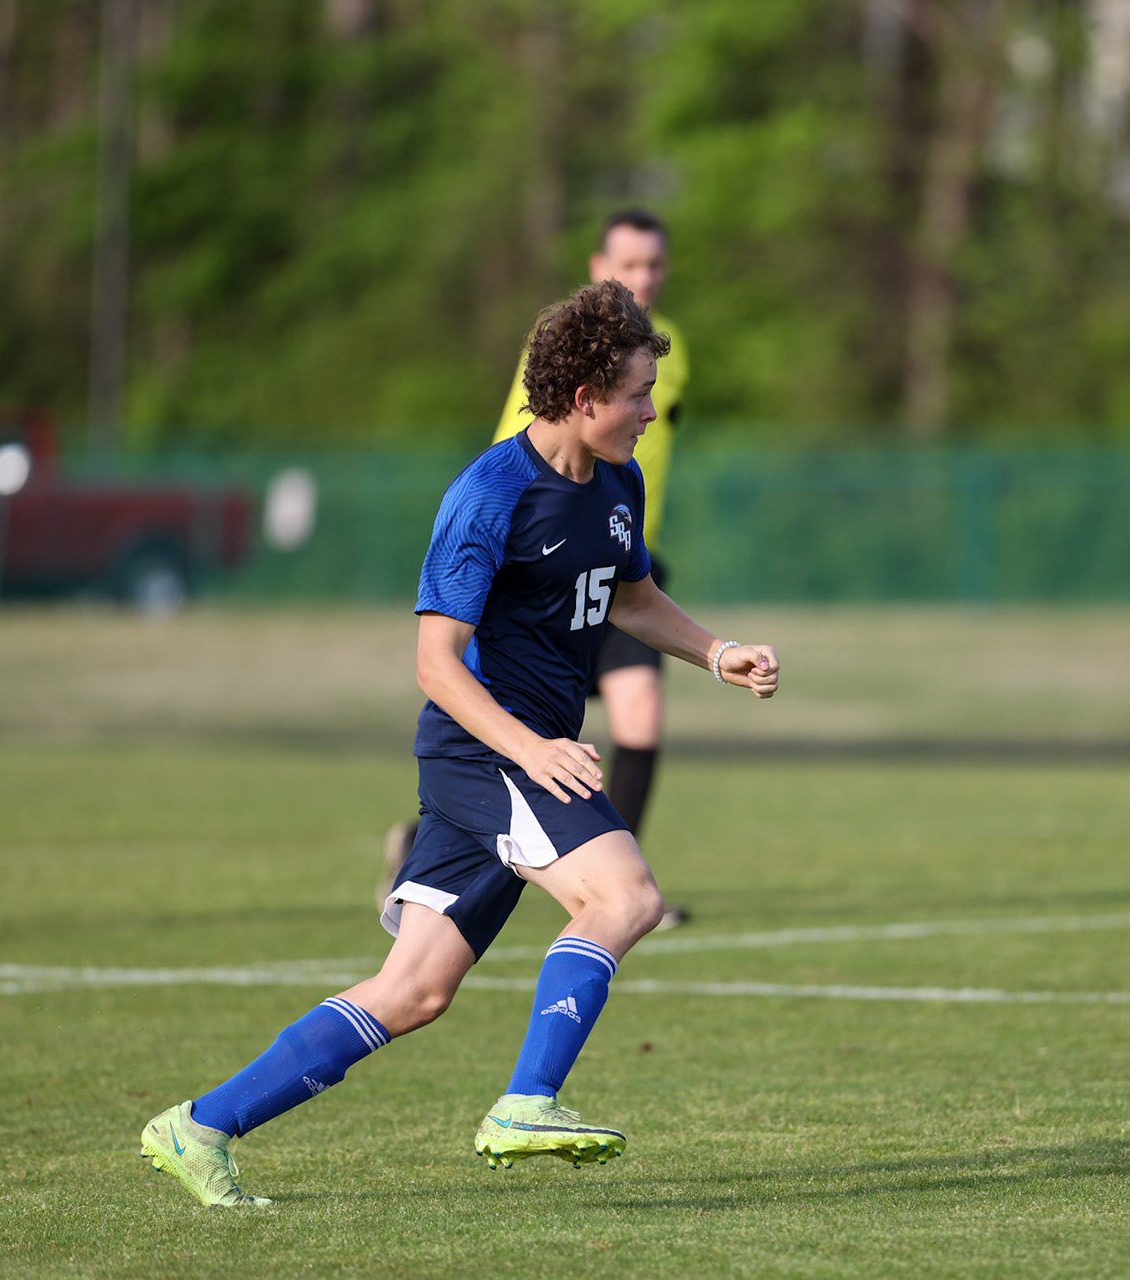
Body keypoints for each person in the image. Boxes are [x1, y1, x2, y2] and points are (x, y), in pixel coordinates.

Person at [140, 280, 778, 1208]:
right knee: (626, 895)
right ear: (584, 396)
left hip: (518, 753)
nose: (650, 412)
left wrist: (716, 652)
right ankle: (528, 1102)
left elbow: (632, 597)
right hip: (486, 752)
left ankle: (198, 1126)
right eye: (638, 394)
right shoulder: (488, 494)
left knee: (414, 990)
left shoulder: (618, 482)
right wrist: (533, 748)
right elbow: (436, 664)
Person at [383, 208, 692, 924]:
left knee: (637, 716)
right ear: (597, 270)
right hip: (546, 563)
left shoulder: (666, 371)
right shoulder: (526, 442)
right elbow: (525, 467)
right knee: (415, 990)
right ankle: (600, 877)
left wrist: (721, 652)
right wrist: (533, 519)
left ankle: (612, 871)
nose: (643, 278)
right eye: (629, 265)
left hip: (616, 548)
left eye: (655, 265)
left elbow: (638, 590)